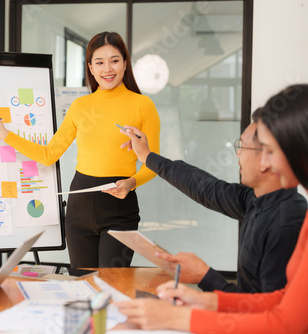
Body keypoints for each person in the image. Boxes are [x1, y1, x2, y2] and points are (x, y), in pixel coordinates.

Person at [116, 84, 308, 333]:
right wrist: (204, 300)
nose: (265, 161)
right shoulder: (255, 200)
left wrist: (179, 316)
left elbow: (285, 323)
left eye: (270, 151)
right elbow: (281, 301)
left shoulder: (288, 220)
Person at [0, 31, 160, 268]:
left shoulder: (142, 105)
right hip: (79, 207)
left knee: (112, 287)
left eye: (114, 60)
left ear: (125, 64)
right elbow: (48, 155)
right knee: (82, 286)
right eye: (99, 62)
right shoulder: (80, 106)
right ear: (91, 68)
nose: (108, 69)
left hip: (119, 205)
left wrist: (131, 182)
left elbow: (153, 164)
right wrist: (4, 134)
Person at [118, 120, 307, 293]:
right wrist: (148, 157)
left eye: (242, 146)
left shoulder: (287, 224)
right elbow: (205, 187)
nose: (237, 153)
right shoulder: (256, 200)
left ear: (266, 157)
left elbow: (268, 314)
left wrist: (204, 276)